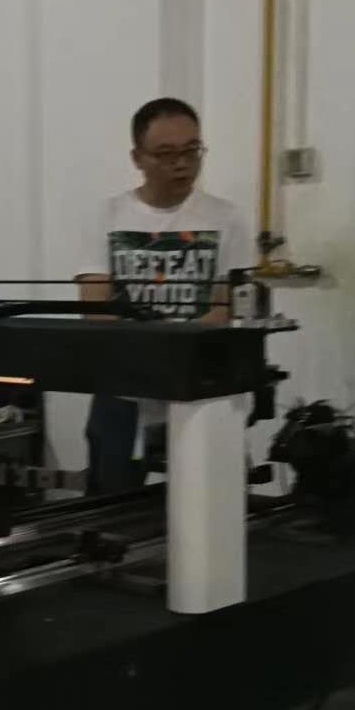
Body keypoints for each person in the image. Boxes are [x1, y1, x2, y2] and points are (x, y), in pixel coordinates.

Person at [77, 97, 248, 494]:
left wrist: (170, 357)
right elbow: (96, 309)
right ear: (138, 158)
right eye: (167, 154)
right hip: (123, 389)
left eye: (192, 151)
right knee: (111, 506)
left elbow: (223, 309)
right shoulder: (107, 216)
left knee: (212, 506)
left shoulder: (226, 218)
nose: (182, 164)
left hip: (200, 389)